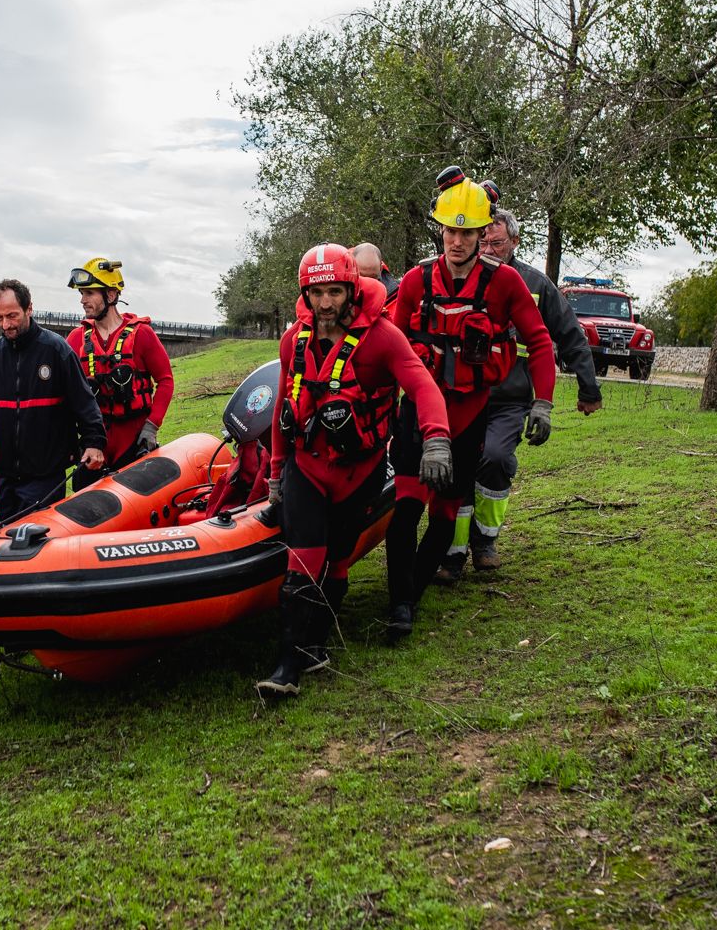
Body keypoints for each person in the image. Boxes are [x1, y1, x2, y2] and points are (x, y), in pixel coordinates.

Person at [257, 243, 452, 696]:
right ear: (305, 295)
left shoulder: (383, 337)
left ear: (350, 289)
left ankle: (315, 647)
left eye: (335, 293)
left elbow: (423, 387)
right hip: (307, 467)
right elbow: (283, 410)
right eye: (317, 293)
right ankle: (286, 668)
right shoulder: (294, 341)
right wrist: (276, 472)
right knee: (302, 561)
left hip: (358, 472)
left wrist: (437, 439)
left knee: (338, 562)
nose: (326, 304)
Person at [386, 168, 556, 636]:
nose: (456, 241)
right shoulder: (417, 281)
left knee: (443, 517)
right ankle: (400, 604)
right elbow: (392, 346)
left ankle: (409, 600)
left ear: (483, 233)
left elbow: (540, 343)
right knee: (404, 513)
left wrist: (543, 403)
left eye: (466, 232)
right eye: (449, 230)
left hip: (469, 413)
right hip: (418, 413)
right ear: (440, 229)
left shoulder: (505, 284)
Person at [470, 207, 601, 571]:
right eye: (483, 241)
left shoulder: (536, 285)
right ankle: (449, 551)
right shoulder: (462, 278)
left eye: (497, 242)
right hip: (464, 394)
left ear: (514, 241)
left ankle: (484, 542)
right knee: (457, 466)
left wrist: (588, 390)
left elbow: (570, 335)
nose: (489, 249)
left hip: (510, 398)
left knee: (495, 459)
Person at [0, 279, 106, 522]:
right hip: (1, 476)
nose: (6, 324)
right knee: (0, 544)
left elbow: (83, 401)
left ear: (29, 309)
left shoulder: (56, 351)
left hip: (45, 476)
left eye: (12, 316)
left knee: (38, 547)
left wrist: (94, 441)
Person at [64, 258, 175, 489]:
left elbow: (165, 381)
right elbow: (64, 392)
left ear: (111, 295)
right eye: (81, 294)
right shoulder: (76, 339)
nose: (83, 300)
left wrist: (151, 427)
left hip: (134, 441)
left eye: (89, 293)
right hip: (94, 446)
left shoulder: (142, 335)